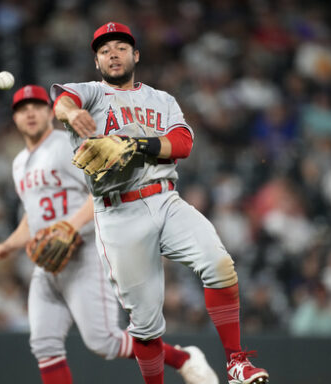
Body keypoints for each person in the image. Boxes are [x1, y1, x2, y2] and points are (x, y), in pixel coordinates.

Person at [51, 22, 270, 384]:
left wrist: (136, 145)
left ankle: (236, 363)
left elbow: (183, 143)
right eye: (104, 51)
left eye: (120, 47)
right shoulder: (89, 93)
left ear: (135, 55)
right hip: (118, 212)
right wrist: (72, 114)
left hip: (165, 198)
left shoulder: (162, 100)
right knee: (147, 326)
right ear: (96, 62)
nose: (112, 54)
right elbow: (62, 101)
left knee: (220, 265)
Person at [0, 85, 218, 384]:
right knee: (44, 344)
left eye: (38, 106)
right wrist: (9, 245)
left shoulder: (65, 146)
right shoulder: (19, 163)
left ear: (50, 113)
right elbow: (35, 215)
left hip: (87, 253)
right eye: (22, 108)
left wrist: (70, 226)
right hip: (48, 263)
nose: (30, 113)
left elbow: (103, 192)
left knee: (104, 341)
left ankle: (183, 359)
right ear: (14, 118)